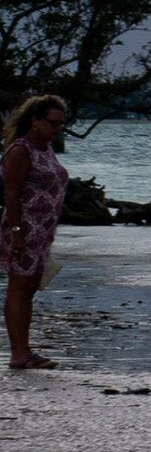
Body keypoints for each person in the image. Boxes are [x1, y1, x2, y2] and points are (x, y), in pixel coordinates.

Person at [4, 95, 71, 371]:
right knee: (19, 288)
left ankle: (25, 350)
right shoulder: (21, 150)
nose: (58, 128)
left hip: (43, 231)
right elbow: (11, 194)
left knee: (29, 289)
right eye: (53, 123)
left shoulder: (46, 148)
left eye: (61, 124)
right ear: (35, 120)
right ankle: (19, 353)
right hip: (24, 228)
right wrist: (17, 232)